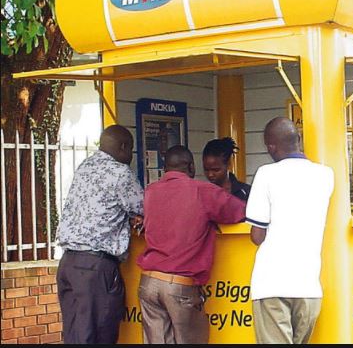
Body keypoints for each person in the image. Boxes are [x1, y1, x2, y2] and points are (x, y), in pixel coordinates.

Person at [136, 145, 246, 344]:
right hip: (180, 285)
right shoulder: (203, 191)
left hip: (148, 284)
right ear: (191, 166)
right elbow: (241, 212)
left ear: (165, 167)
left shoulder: (151, 191)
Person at [245, 117, 334, 344]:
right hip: (308, 285)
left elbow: (257, 235)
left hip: (272, 283)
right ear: (298, 139)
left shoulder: (266, 174)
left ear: (271, 147)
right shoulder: (326, 175)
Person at [56, 125, 144, 344]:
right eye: (131, 149)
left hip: (68, 264)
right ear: (123, 147)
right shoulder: (120, 172)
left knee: (75, 334)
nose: (131, 156)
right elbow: (145, 208)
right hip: (95, 268)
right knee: (96, 335)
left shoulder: (85, 166)